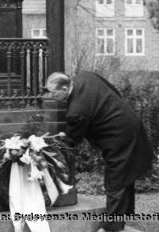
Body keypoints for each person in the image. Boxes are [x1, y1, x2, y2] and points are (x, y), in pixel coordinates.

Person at [45, 71, 153, 232]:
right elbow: (114, 91)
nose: (51, 96)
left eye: (54, 93)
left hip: (118, 136)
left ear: (65, 87)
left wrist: (48, 148)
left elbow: (71, 142)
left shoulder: (76, 111)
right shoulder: (86, 76)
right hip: (129, 122)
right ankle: (124, 216)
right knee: (126, 176)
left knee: (115, 180)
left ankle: (112, 227)